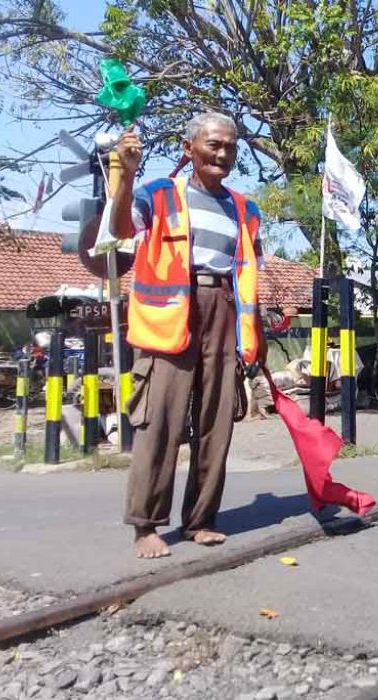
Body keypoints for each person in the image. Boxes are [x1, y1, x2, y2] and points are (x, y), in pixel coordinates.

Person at [110, 112, 267, 558]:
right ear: (189, 149)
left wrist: (255, 332)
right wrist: (126, 173)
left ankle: (200, 519)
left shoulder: (245, 209)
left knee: (217, 420)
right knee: (160, 418)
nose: (222, 153)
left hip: (224, 312)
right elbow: (121, 230)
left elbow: (250, 273)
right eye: (213, 144)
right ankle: (146, 526)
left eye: (230, 147)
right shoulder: (159, 193)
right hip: (170, 317)